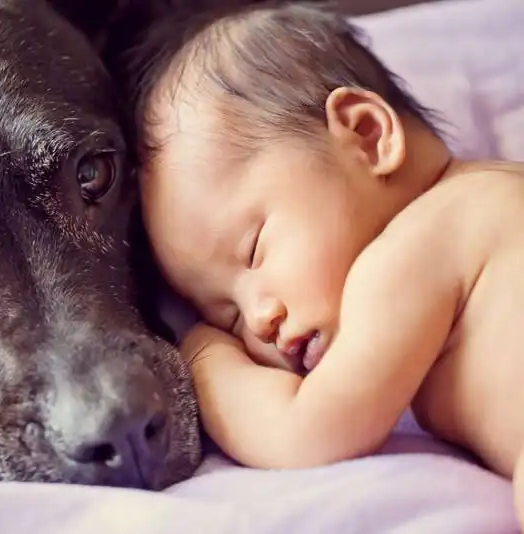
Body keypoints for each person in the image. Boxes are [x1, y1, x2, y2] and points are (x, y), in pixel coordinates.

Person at [126, 2, 524, 523]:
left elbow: (307, 429)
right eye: (227, 316)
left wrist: (202, 355)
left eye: (254, 250)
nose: (259, 319)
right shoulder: (493, 196)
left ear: (366, 137)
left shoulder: (412, 251)